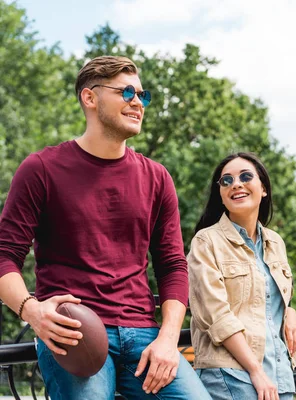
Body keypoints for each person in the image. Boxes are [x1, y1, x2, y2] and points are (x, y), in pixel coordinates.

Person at [0, 56, 210, 399]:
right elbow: (5, 256)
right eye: (126, 92)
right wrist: (32, 312)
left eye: (143, 95)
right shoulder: (40, 169)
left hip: (144, 337)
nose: (137, 103)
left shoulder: (157, 178)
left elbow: (172, 265)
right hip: (74, 334)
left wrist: (169, 339)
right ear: (90, 97)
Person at [187, 152, 296, 400]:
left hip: (279, 374)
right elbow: (215, 315)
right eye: (226, 181)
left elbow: (271, 294)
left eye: (245, 176)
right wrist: (256, 370)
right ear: (220, 194)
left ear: (263, 189)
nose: (235, 184)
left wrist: (289, 310)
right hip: (232, 374)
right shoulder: (206, 241)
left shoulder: (275, 242)